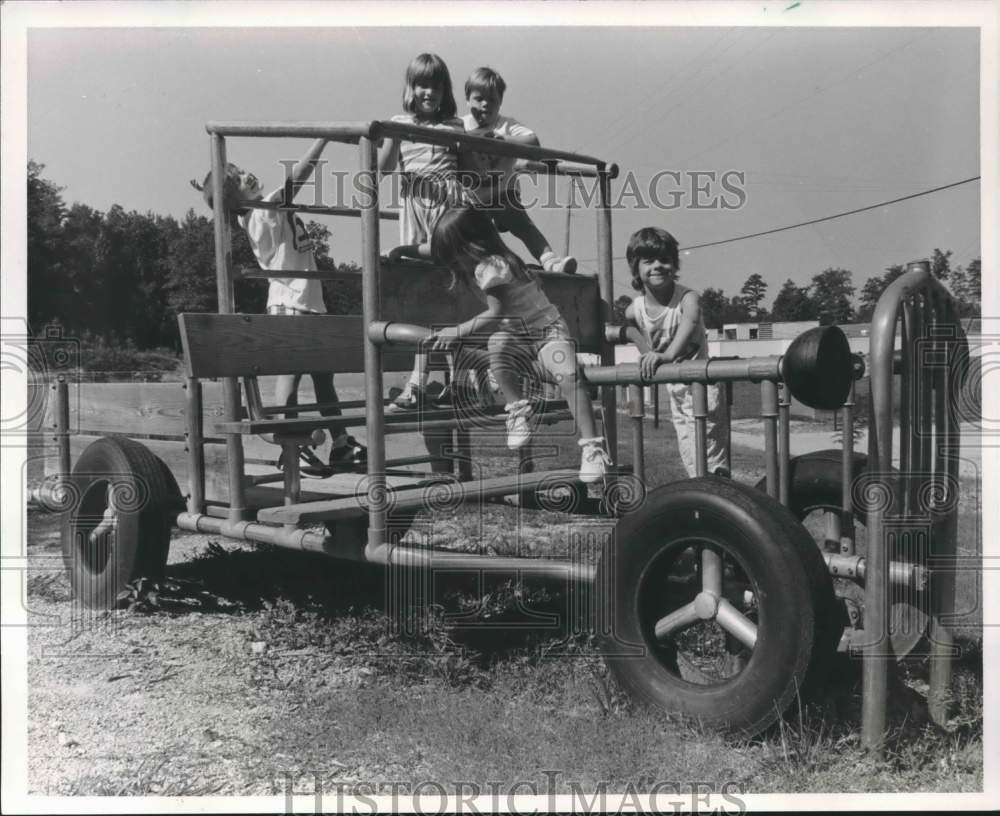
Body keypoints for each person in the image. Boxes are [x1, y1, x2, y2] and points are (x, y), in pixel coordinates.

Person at [193, 138, 365, 472]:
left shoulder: (255, 214)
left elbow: (245, 202)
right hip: (290, 305)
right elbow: (298, 178)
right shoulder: (264, 213)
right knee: (290, 383)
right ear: (234, 198)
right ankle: (291, 447)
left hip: (309, 303)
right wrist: (322, 140)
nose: (248, 175)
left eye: (243, 171)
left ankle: (341, 442)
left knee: (324, 381)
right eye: (239, 179)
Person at [428, 205, 611, 483]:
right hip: (516, 335)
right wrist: (400, 250)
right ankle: (517, 412)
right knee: (497, 344)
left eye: (454, 256)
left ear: (472, 245)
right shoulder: (472, 260)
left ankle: (592, 447)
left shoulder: (492, 265)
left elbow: (495, 313)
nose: (452, 264)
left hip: (547, 332)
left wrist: (457, 332)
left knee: (569, 376)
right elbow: (428, 251)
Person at [379, 53, 469, 411]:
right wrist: (393, 135)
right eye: (421, 84)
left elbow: (467, 169)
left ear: (444, 89)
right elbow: (383, 169)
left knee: (447, 293)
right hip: (414, 211)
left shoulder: (455, 126)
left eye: (435, 84)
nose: (428, 91)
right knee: (419, 295)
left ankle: (449, 380)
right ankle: (421, 381)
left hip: (445, 211)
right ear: (410, 88)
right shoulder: (400, 122)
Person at [624, 227, 729, 478]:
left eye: (665, 259)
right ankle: (702, 494)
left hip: (702, 384)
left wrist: (667, 356)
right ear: (636, 268)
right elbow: (627, 327)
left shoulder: (686, 298)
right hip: (677, 390)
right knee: (689, 453)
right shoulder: (635, 308)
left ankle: (719, 491)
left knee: (710, 452)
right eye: (649, 261)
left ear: (674, 263)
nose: (658, 266)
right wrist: (644, 350)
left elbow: (690, 321)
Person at [459, 67, 577, 275]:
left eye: (492, 100)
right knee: (462, 229)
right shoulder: (461, 125)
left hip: (503, 191)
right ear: (467, 100)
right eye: (478, 99)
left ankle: (550, 260)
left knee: (522, 224)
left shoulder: (505, 125)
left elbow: (534, 142)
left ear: (500, 103)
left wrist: (504, 141)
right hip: (472, 196)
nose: (485, 104)